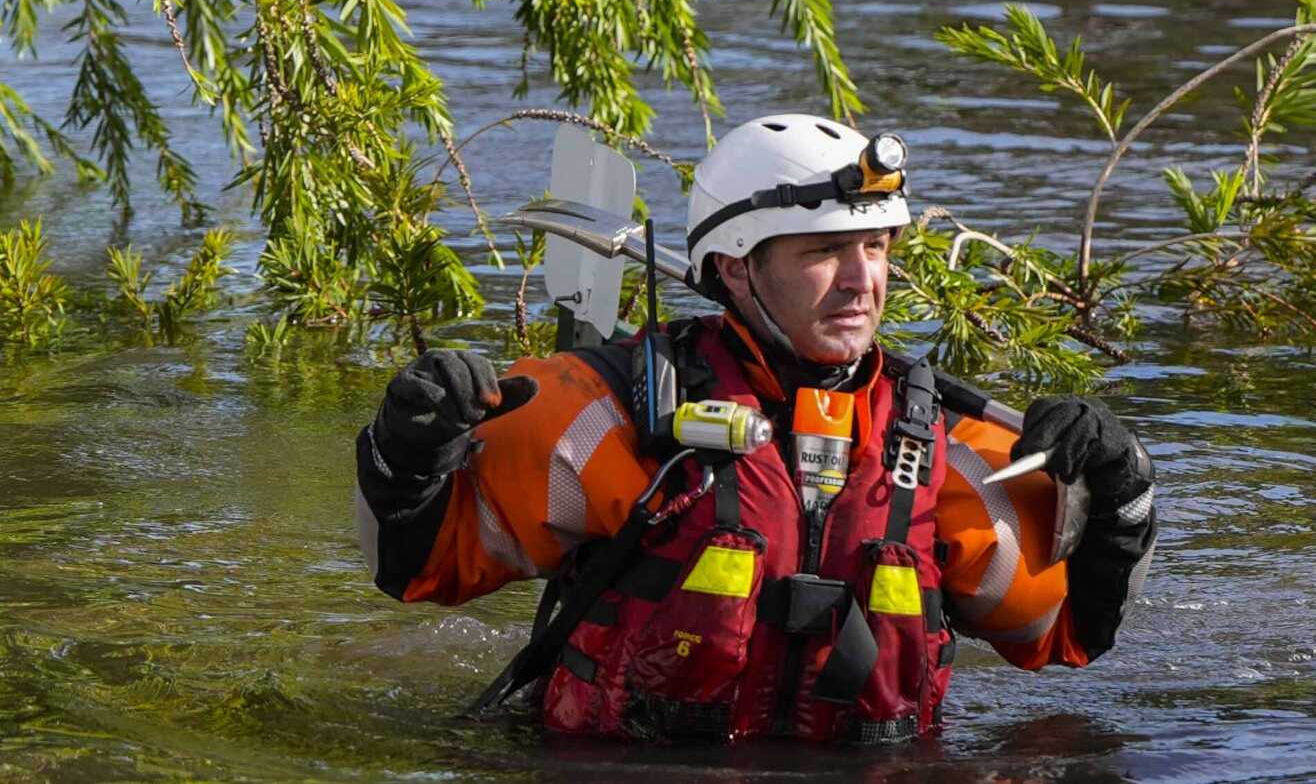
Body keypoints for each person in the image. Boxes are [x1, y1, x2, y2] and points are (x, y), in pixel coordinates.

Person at [354, 114, 1156, 745]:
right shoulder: (607, 412)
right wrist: (410, 452)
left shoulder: (940, 446)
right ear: (736, 267)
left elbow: (1065, 635)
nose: (862, 279)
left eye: (875, 246)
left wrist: (1122, 495)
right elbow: (415, 567)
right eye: (825, 251)